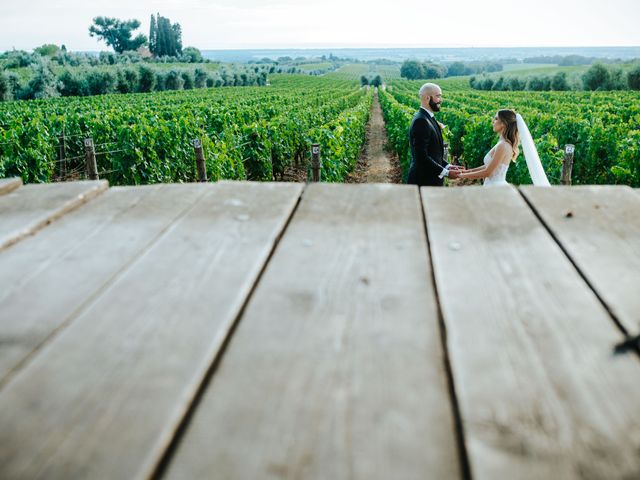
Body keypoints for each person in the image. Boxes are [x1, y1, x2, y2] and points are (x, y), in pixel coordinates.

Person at [457, 109, 551, 187]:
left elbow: (488, 172)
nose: (493, 121)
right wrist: (468, 171)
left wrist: (461, 175)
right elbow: (488, 166)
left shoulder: (503, 145)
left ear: (503, 124)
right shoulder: (501, 143)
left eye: (496, 119)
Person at [407, 83, 463, 186]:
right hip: (423, 181)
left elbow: (433, 153)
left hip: (430, 180)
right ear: (428, 98)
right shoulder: (421, 121)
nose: (440, 100)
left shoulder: (427, 118)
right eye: (438, 96)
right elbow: (421, 156)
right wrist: (446, 173)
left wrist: (447, 166)